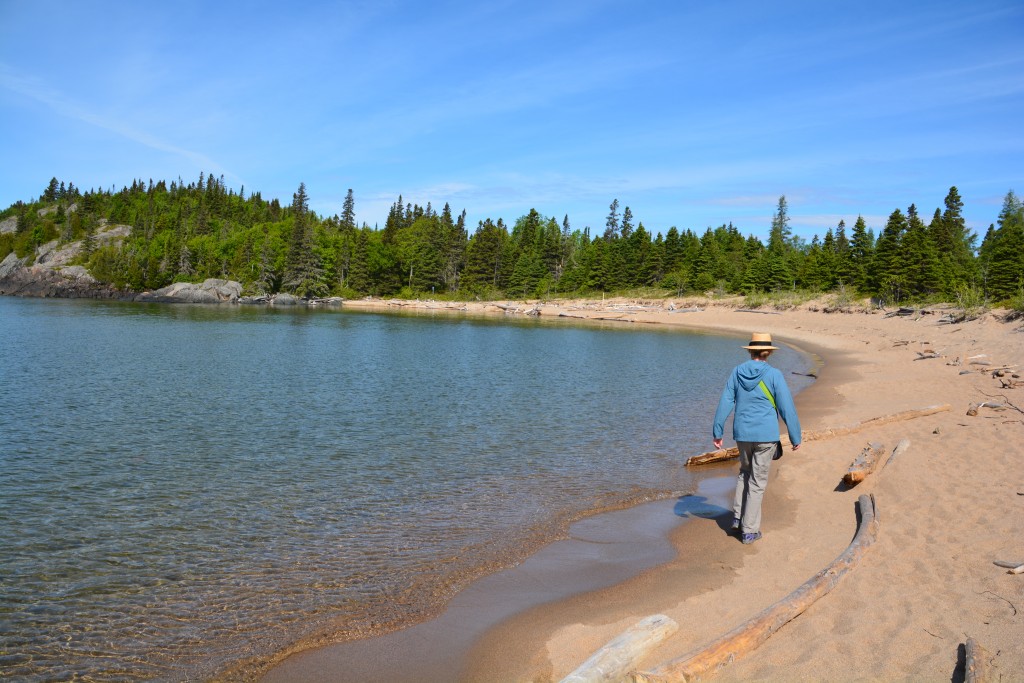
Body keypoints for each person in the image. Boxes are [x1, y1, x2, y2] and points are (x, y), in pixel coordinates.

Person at [712, 332, 802, 544]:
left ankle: (737, 518)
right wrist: (795, 436)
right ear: (768, 352)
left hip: (742, 434)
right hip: (766, 436)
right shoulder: (774, 375)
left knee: (744, 473)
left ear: (750, 351)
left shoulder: (737, 371)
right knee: (757, 482)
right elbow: (786, 407)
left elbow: (726, 400)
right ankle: (749, 530)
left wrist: (718, 431)